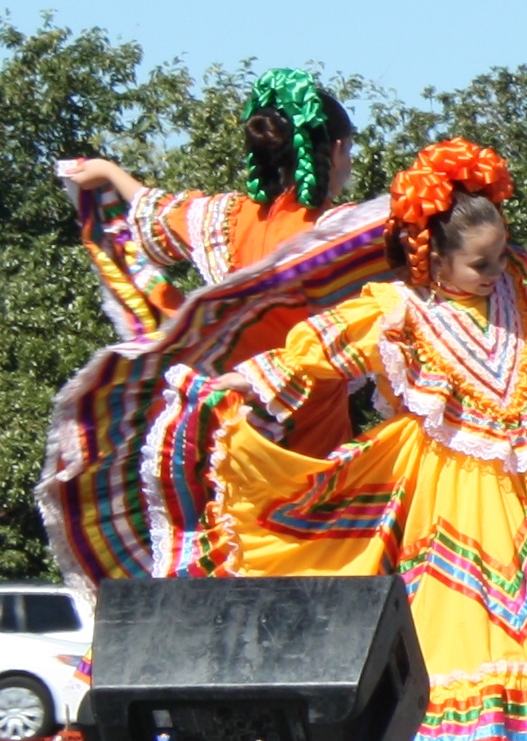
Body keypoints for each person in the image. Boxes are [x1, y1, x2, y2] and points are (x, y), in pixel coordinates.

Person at [164, 139, 527, 741]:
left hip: (517, 491)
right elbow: (314, 354)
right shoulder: (399, 315)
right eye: (480, 262)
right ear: (433, 259)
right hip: (442, 493)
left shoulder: (522, 281)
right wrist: (239, 383)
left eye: (500, 253)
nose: (498, 267)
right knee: (452, 612)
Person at [45, 70, 392, 588]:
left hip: (230, 419)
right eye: (349, 151)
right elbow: (413, 243)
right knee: (308, 560)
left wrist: (107, 172)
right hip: (307, 423)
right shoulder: (336, 235)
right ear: (335, 149)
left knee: (235, 545)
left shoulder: (225, 218)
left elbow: (151, 211)